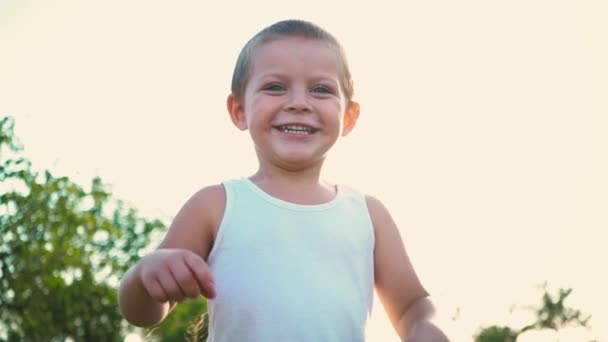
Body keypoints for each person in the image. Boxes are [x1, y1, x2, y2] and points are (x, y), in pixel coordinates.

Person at [118, 19, 450, 342]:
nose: (299, 103)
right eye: (275, 87)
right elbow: (142, 313)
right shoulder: (216, 205)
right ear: (239, 110)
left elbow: (411, 305)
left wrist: (426, 326)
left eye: (321, 90)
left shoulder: (368, 213)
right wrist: (145, 277)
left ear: (348, 117)